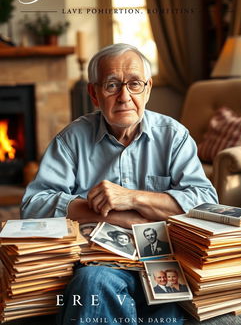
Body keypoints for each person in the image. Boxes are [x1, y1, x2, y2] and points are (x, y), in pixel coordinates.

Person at [21, 43, 218, 325]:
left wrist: (133, 199)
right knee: (93, 283)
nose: (124, 96)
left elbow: (205, 201)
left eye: (135, 84)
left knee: (169, 308)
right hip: (100, 260)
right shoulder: (71, 140)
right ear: (94, 94)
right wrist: (117, 216)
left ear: (148, 89)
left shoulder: (174, 136)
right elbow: (33, 205)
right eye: (112, 85)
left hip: (167, 258)